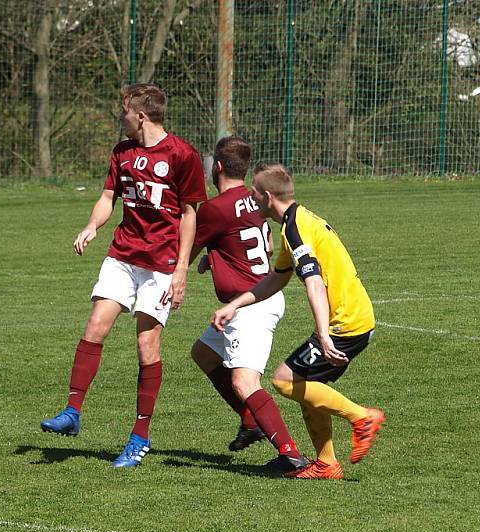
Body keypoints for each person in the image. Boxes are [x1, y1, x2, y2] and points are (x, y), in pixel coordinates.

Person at [40, 83, 207, 468]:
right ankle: (72, 412)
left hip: (162, 266)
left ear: (141, 115)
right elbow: (107, 197)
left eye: (125, 111)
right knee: (95, 325)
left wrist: (181, 270)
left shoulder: (183, 155)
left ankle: (139, 437)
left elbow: (189, 214)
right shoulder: (122, 152)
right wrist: (92, 226)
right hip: (123, 255)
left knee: (147, 347)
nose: (122, 116)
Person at [213, 163, 385, 480]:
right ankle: (326, 464)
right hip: (352, 317)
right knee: (307, 384)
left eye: (253, 194)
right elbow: (276, 279)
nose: (251, 200)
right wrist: (235, 305)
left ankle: (362, 417)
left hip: (344, 322)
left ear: (266, 196)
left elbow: (314, 283)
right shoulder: (295, 222)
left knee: (284, 380)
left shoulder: (295, 229)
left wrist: (324, 335)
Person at [190, 136, 308, 473]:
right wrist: (218, 257)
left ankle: (289, 453)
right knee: (203, 353)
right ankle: (250, 418)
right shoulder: (253, 199)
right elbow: (262, 243)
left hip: (249, 306)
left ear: (218, 167)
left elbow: (186, 250)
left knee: (245, 383)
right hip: (256, 296)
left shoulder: (214, 208)